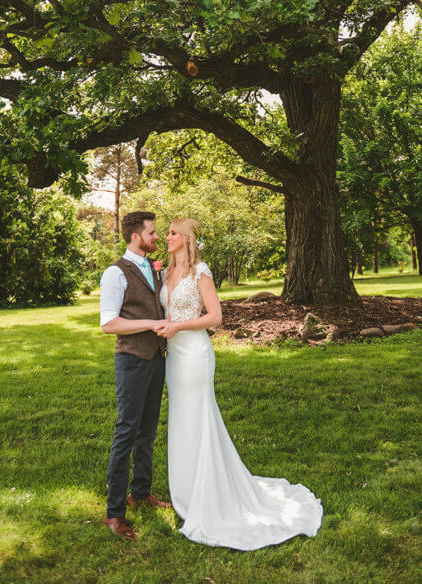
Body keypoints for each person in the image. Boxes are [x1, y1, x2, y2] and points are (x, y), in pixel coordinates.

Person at [154, 217, 323, 549]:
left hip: (195, 354)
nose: (167, 237)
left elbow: (215, 318)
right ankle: (186, 492)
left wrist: (178, 327)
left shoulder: (200, 272)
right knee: (181, 422)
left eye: (173, 233)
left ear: (187, 239)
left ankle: (209, 493)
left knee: (199, 419)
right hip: (173, 357)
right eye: (167, 233)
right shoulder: (164, 272)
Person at [99, 210, 172, 541]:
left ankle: (141, 492)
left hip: (157, 358)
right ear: (135, 237)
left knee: (148, 430)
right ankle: (115, 514)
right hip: (131, 360)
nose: (157, 237)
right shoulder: (115, 274)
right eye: (152, 233)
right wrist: (149, 324)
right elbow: (109, 323)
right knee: (126, 432)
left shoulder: (154, 268)